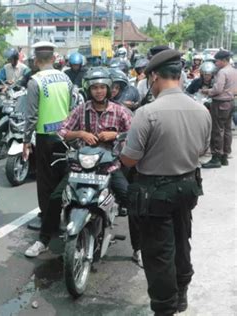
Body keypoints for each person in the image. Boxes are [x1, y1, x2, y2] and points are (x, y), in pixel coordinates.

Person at [120, 49, 211, 316]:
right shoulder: (200, 110)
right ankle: (181, 293)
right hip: (187, 187)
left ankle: (165, 307)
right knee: (182, 240)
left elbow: (129, 160)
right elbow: (203, 153)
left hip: (155, 193)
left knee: (158, 253)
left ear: (155, 76)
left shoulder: (147, 112)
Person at [24, 67, 137, 263]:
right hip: (81, 167)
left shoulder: (120, 112)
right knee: (55, 198)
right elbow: (62, 130)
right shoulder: (81, 109)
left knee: (132, 202)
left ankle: (139, 248)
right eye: (94, 88)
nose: (99, 91)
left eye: (102, 87)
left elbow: (135, 134)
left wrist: (116, 135)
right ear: (88, 90)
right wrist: (80, 134)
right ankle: (43, 240)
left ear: (109, 89)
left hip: (109, 167)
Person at [21, 40, 72, 240]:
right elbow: (71, 105)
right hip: (65, 136)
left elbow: (31, 115)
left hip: (45, 139)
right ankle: (62, 216)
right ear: (53, 58)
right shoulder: (65, 78)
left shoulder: (35, 81)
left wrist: (26, 141)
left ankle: (48, 221)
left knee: (45, 183)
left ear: (35, 60)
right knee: (61, 180)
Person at [201, 50, 237, 168]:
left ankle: (216, 157)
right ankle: (224, 156)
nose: (215, 63)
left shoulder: (222, 72)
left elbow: (217, 89)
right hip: (231, 102)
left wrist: (207, 91)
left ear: (223, 61)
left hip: (220, 103)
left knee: (217, 130)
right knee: (227, 130)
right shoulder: (234, 71)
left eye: (217, 61)